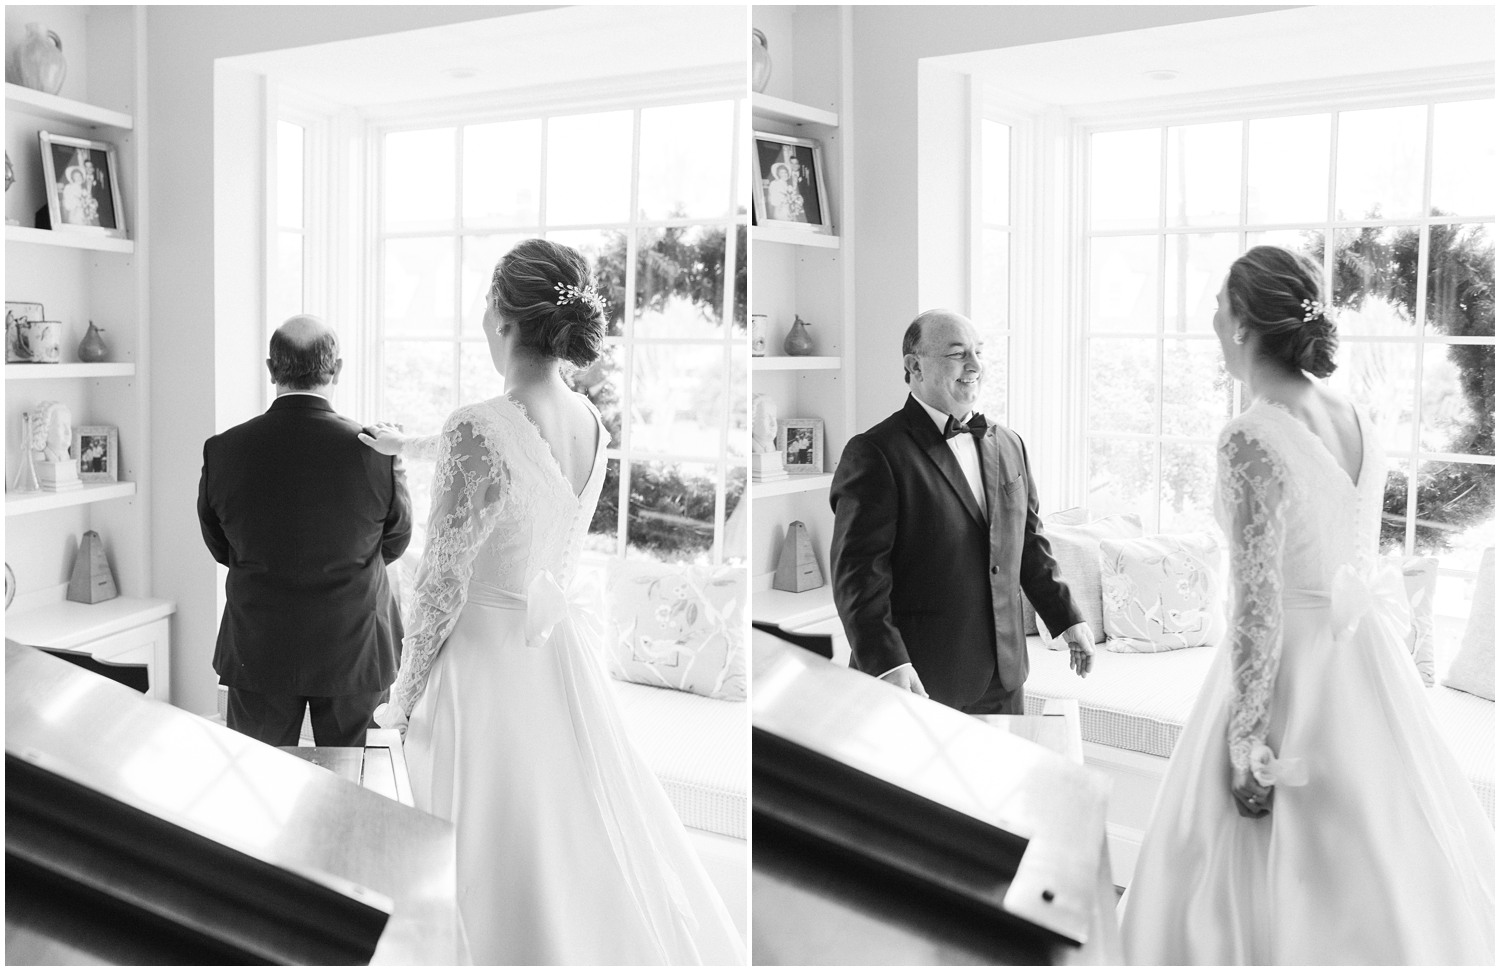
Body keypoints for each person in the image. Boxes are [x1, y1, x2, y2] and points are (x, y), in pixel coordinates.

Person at [360, 238, 745, 965]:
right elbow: (524, 503)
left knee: (473, 850)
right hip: (554, 658)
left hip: (483, 665)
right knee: (571, 835)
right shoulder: (591, 421)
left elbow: (440, 583)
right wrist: (406, 442)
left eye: (484, 302)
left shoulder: (476, 423)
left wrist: (402, 699)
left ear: (505, 316)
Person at [1118, 246, 1495, 964]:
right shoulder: (1353, 414)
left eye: (1218, 307)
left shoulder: (1249, 436)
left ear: (1241, 324)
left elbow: (1257, 603)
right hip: (1364, 662)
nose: (1210, 319)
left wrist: (1245, 739)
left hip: (1293, 667)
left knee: (1255, 873)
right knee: (1386, 865)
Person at [829, 309, 1093, 713]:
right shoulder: (875, 453)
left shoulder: (1010, 444)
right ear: (914, 366)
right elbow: (859, 577)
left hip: (1005, 676)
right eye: (957, 354)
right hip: (917, 679)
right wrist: (889, 663)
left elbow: (1028, 544)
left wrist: (1067, 617)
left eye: (978, 353)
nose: (974, 366)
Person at [197, 315, 412, 747]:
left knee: (258, 788)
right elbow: (396, 540)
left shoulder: (225, 449)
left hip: (260, 650)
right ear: (337, 369)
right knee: (353, 792)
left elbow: (220, 545)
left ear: (271, 369)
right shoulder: (375, 451)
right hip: (354, 647)